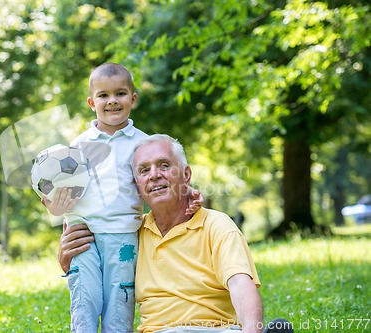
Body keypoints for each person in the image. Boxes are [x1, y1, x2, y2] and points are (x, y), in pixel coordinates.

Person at [58, 134, 294, 333]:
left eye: (164, 165)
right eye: (143, 170)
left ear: (186, 175)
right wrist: (68, 261)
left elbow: (241, 284)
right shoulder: (130, 234)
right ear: (137, 188)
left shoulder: (216, 224)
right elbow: (103, 278)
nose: (154, 175)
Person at [41, 63, 203, 333]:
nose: (112, 101)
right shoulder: (77, 147)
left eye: (120, 93)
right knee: (85, 301)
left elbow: (163, 177)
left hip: (124, 236)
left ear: (133, 99)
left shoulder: (143, 145)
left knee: (120, 304)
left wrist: (188, 192)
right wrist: (51, 202)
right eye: (103, 95)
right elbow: (54, 191)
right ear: (92, 102)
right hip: (84, 236)